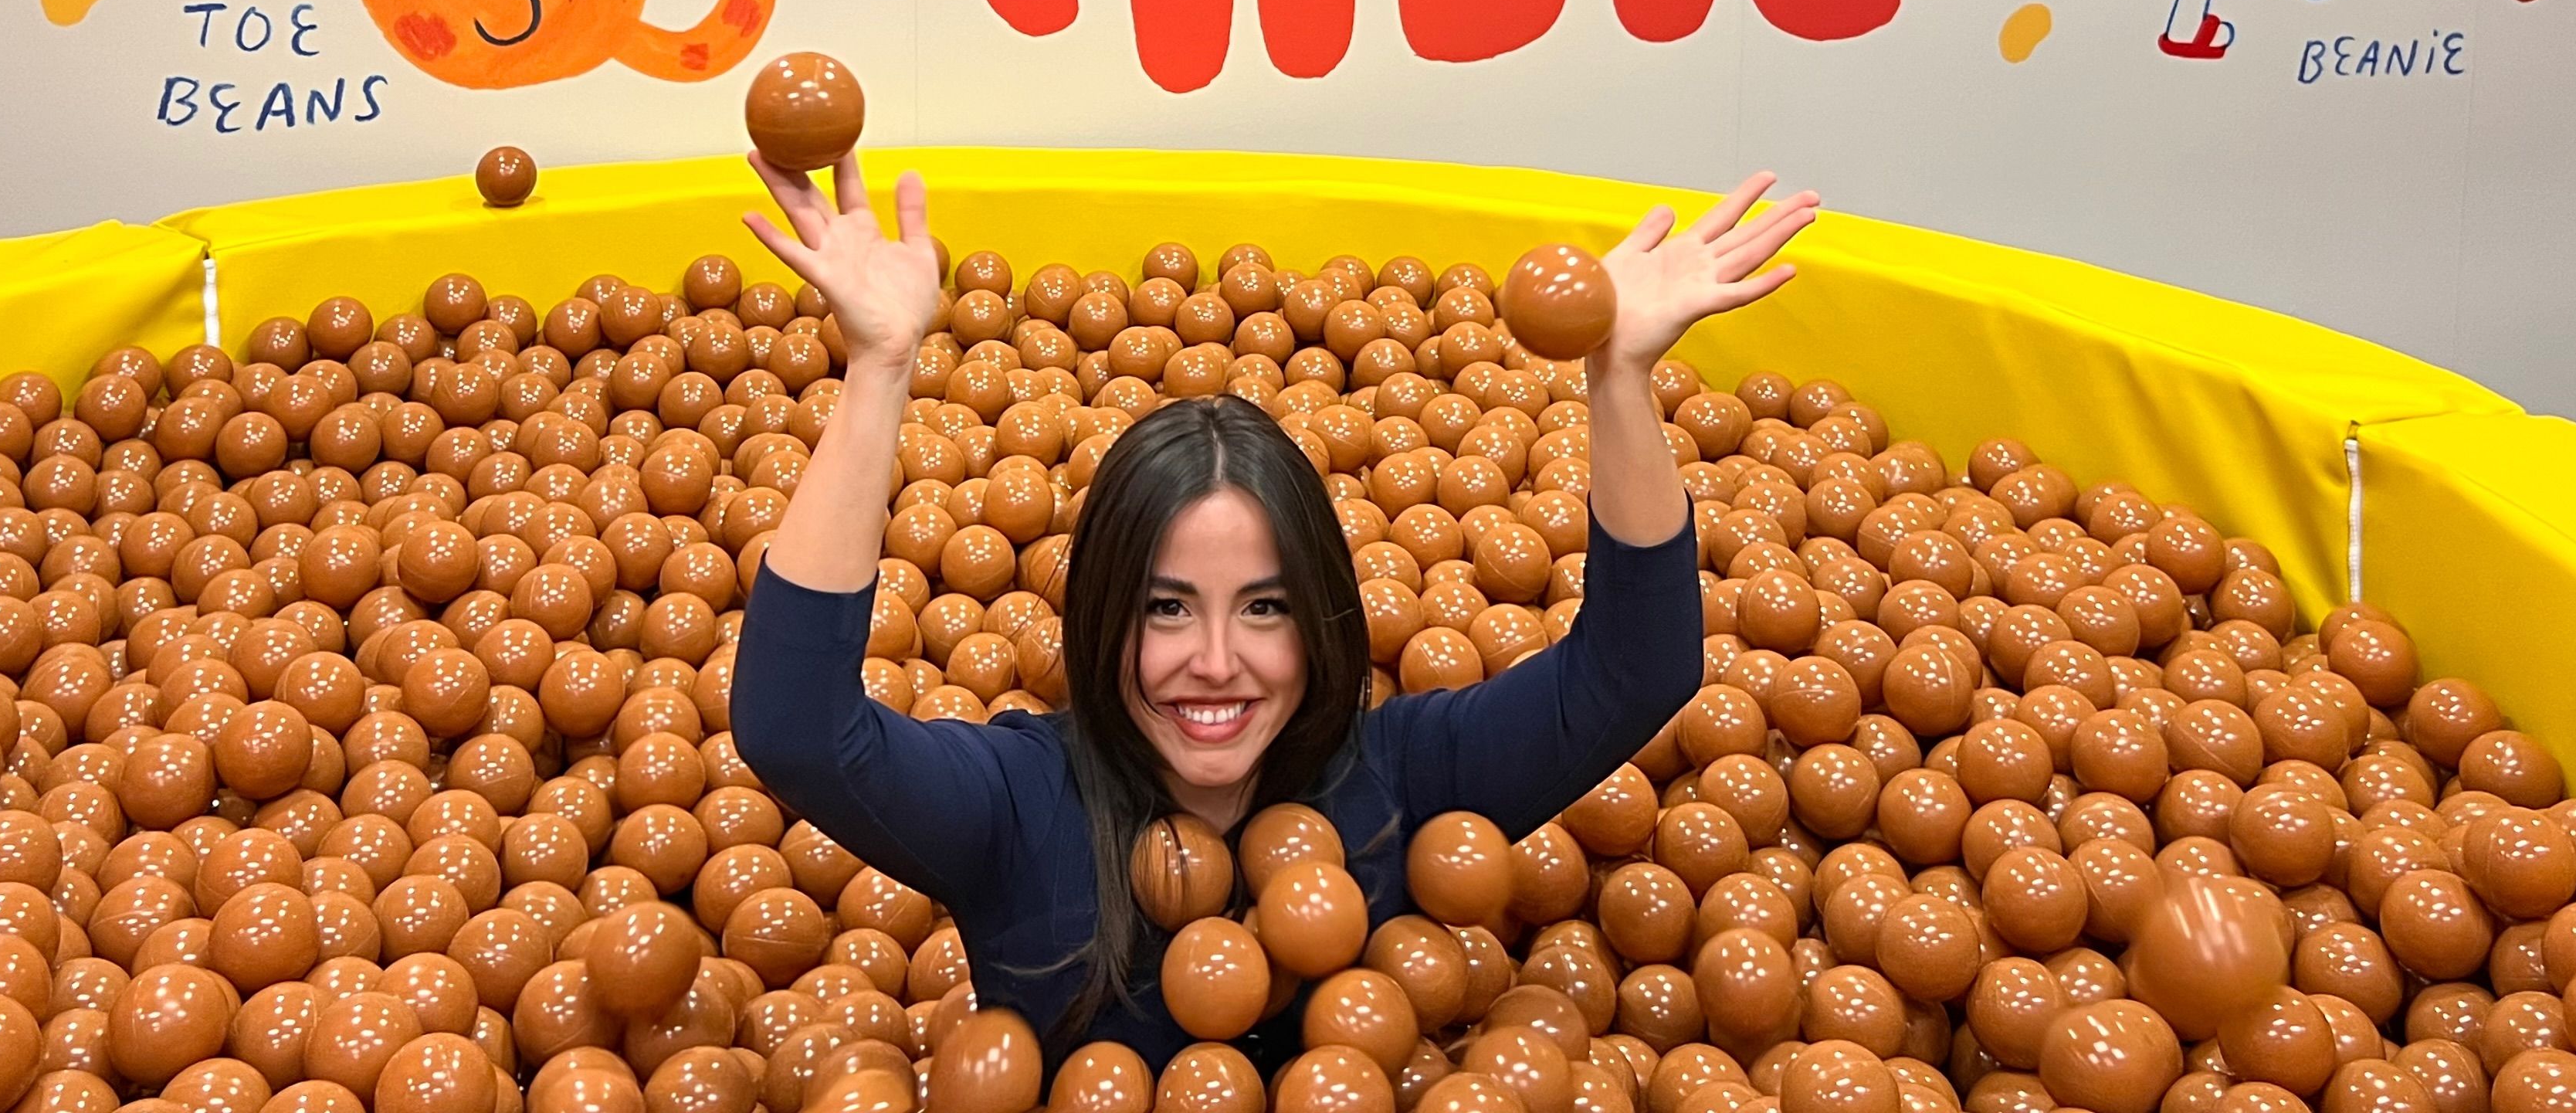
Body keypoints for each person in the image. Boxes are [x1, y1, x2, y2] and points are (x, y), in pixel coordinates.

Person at [728, 154, 1819, 1071]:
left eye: (1264, 608)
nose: (1215, 661)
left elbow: (1638, 669)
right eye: (1165, 608)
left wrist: (1618, 381)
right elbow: (795, 729)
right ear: (1102, 613)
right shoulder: (1019, 806)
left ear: (1326, 622)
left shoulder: (1400, 779)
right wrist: (878, 370)